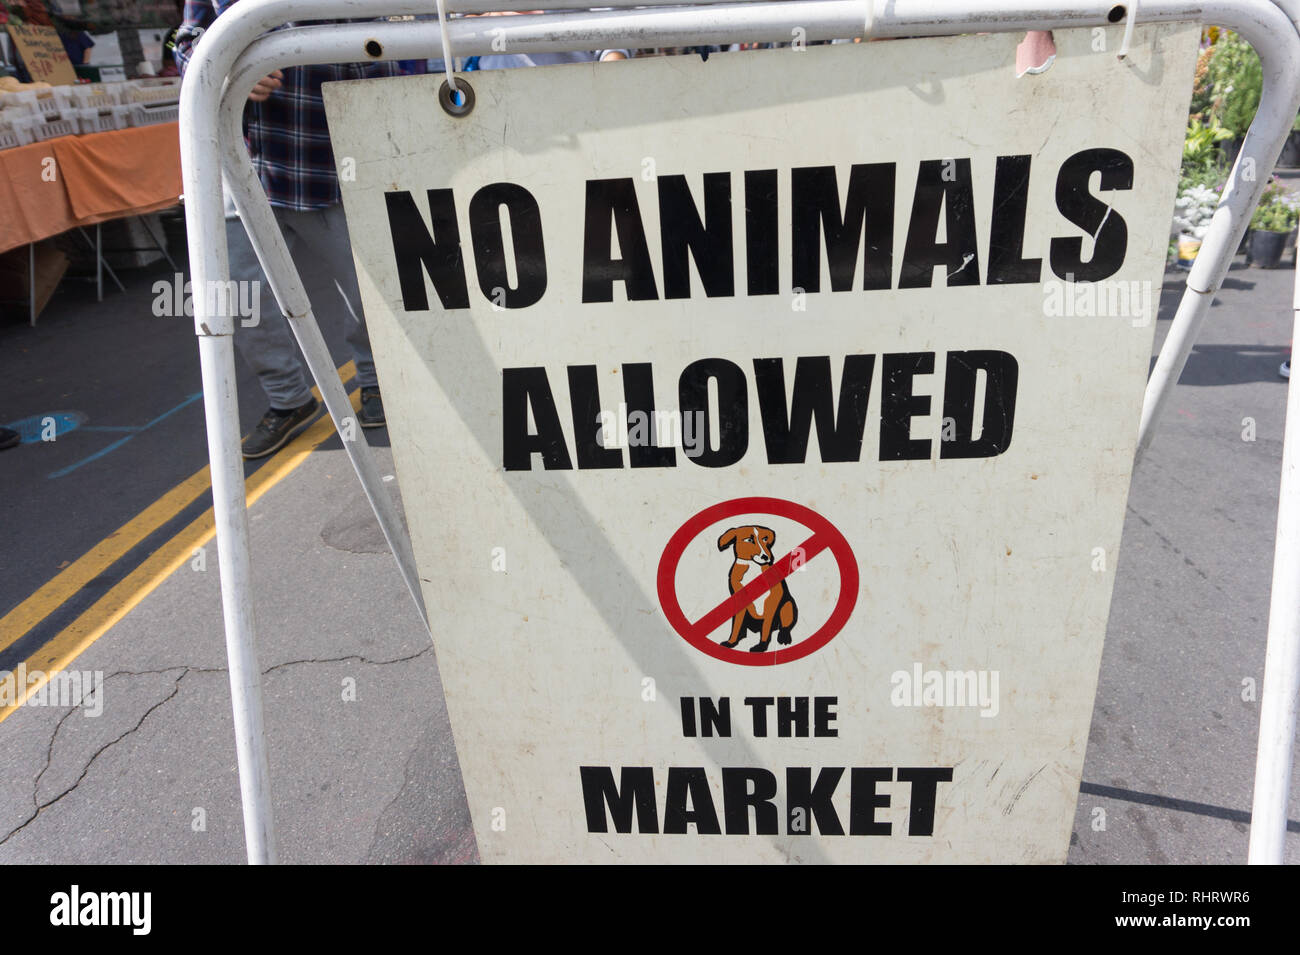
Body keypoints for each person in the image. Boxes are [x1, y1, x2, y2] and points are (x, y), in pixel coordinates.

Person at [174, 4, 403, 458]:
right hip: (239, 163)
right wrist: (223, 68)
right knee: (237, 294)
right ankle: (288, 398)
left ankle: (377, 380)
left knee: (367, 287)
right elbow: (186, 39)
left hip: (328, 156)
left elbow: (386, 41)